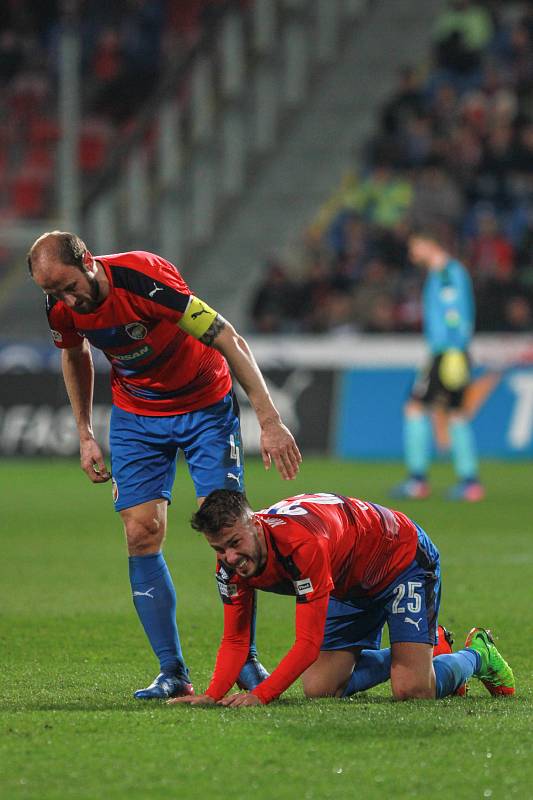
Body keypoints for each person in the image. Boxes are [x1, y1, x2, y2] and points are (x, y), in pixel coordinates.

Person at [27, 231, 302, 699]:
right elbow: (74, 356)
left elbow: (226, 336)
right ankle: (172, 670)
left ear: (88, 261)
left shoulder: (144, 278)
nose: (66, 300)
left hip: (204, 407)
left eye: (70, 287)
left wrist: (269, 418)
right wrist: (85, 434)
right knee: (139, 533)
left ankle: (246, 658)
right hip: (137, 415)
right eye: (54, 294)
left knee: (227, 530)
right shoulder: (59, 307)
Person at [170, 489, 514, 707]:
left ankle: (477, 655)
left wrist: (260, 696)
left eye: (234, 543)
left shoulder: (303, 545)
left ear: (256, 524)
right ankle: (428, 645)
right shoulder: (232, 564)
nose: (230, 557)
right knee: (320, 689)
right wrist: (211, 695)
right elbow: (235, 638)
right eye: (219, 549)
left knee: (412, 691)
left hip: (400, 560)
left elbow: (307, 643)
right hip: (346, 580)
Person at [392, 226, 485, 501]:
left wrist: (453, 351)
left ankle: (417, 480)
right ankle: (470, 482)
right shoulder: (446, 272)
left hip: (447, 352)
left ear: (428, 243)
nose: (411, 254)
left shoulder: (445, 274)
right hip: (454, 352)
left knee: (414, 407)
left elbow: (454, 314)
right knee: (456, 413)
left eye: (414, 246)